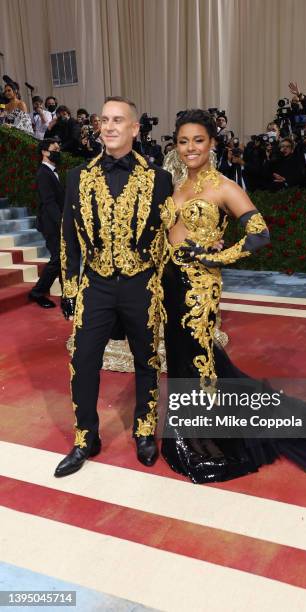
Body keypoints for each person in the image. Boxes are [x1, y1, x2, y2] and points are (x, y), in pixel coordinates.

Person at [159, 109, 306, 484]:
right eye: (183, 141)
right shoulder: (175, 184)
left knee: (198, 355)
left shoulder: (224, 186)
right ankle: (189, 428)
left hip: (200, 286)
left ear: (212, 143)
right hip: (169, 283)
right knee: (180, 355)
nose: (190, 148)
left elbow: (259, 234)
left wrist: (214, 256)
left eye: (198, 140)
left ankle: (201, 436)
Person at [54, 96, 173, 478]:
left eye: (118, 120)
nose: (108, 126)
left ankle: (143, 430)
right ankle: (85, 436)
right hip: (96, 285)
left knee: (147, 359)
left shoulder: (159, 179)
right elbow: (68, 239)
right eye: (103, 120)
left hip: (142, 283)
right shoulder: (78, 177)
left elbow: (170, 235)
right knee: (83, 359)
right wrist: (70, 289)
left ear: (135, 129)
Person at [28, 139, 64, 308]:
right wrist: (61, 222)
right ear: (44, 152)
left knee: (63, 258)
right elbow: (49, 202)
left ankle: (68, 294)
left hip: (56, 221)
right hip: (51, 223)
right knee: (57, 258)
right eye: (54, 149)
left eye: (58, 149)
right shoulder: (43, 173)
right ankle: (37, 293)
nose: (58, 152)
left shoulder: (52, 171)